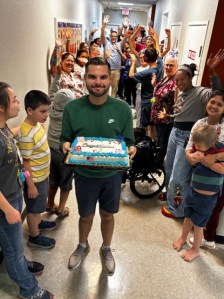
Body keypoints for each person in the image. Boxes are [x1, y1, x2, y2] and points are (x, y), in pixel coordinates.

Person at [60, 57, 136, 275]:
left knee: (107, 215)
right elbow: (64, 138)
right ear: (84, 78)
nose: (98, 82)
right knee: (85, 216)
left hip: (112, 175)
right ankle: (83, 245)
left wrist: (131, 149)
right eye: (92, 77)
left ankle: (106, 248)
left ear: (109, 79)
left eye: (103, 77)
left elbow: (129, 141)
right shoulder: (72, 108)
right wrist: (65, 145)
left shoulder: (122, 109)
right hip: (84, 174)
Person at [0, 82, 53, 298]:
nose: (18, 103)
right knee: (12, 250)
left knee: (14, 245)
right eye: (13, 100)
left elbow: (12, 136)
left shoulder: (4, 128)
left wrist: (21, 131)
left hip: (13, 194)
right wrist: (9, 210)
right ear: (1, 107)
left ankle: (21, 262)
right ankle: (29, 290)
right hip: (5, 204)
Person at [160, 49, 224, 219]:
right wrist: (169, 116)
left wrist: (212, 70)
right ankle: (171, 197)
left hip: (187, 137)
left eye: (183, 79)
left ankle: (178, 209)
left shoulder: (200, 92)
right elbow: (181, 112)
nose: (179, 82)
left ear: (190, 79)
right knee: (168, 166)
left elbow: (217, 92)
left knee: (178, 176)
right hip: (174, 132)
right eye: (177, 80)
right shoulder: (181, 93)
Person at [173, 124, 224, 261]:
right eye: (196, 145)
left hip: (207, 198)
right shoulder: (198, 146)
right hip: (193, 191)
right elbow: (191, 156)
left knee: (199, 224)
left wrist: (207, 161)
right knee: (187, 216)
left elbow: (223, 170)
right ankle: (182, 238)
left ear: (212, 144)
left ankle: (195, 249)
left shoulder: (219, 151)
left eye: (199, 146)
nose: (197, 147)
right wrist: (194, 156)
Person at [185, 90, 224, 249]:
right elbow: (189, 148)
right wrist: (190, 157)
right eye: (212, 102)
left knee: (214, 207)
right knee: (195, 206)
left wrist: (212, 159)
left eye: (219, 104)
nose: (214, 106)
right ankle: (197, 235)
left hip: (217, 178)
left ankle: (208, 239)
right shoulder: (199, 123)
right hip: (199, 175)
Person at [18, 90, 56, 249]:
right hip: (34, 180)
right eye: (43, 111)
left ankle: (38, 222)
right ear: (29, 111)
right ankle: (34, 237)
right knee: (33, 210)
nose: (46, 115)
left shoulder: (37, 125)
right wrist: (31, 185)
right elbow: (25, 165)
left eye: (47, 110)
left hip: (42, 176)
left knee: (39, 206)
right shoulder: (26, 134)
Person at [46, 88, 75, 216]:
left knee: (53, 179)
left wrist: (57, 77)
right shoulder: (70, 115)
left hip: (50, 149)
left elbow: (52, 93)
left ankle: (49, 204)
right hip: (64, 151)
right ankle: (61, 209)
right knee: (66, 181)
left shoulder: (51, 108)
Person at [151, 51, 178, 166]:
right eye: (166, 64)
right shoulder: (165, 78)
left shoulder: (176, 82)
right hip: (157, 117)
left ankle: (157, 164)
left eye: (171, 65)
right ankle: (156, 159)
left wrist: (170, 116)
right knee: (158, 140)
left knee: (162, 142)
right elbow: (157, 95)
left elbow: (177, 104)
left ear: (177, 66)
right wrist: (154, 85)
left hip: (165, 120)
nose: (168, 67)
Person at [129, 47, 163, 137]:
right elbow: (159, 56)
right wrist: (155, 38)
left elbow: (131, 75)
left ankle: (144, 142)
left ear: (146, 59)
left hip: (147, 102)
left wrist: (133, 62)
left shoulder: (147, 73)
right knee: (152, 126)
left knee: (144, 125)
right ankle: (152, 144)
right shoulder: (160, 66)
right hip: (155, 101)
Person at [101, 15, 126, 97]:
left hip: (116, 70)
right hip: (107, 69)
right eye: (112, 36)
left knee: (114, 89)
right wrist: (104, 24)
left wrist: (125, 27)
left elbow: (125, 37)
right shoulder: (106, 43)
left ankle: (111, 104)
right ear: (110, 37)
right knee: (105, 87)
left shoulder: (119, 44)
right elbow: (102, 34)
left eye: (115, 36)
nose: (113, 38)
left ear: (116, 37)